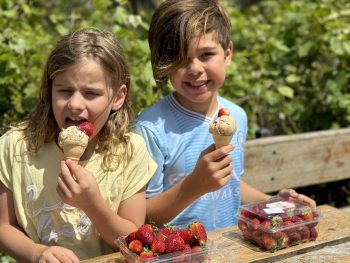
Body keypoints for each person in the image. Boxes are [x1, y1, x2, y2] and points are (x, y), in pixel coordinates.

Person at [134, 0, 316, 231]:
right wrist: (193, 186)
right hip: (179, 253)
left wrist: (273, 202)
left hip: (232, 249)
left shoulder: (236, 117)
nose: (195, 69)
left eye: (206, 54)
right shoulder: (150, 129)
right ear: (164, 63)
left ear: (227, 53)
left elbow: (230, 184)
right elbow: (141, 217)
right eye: (180, 58)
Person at [0, 28, 157, 262]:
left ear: (117, 97)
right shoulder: (16, 147)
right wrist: (37, 253)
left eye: (91, 93)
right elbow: (3, 226)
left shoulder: (130, 151)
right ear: (49, 89)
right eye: (64, 91)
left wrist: (92, 205)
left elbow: (134, 241)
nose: (75, 104)